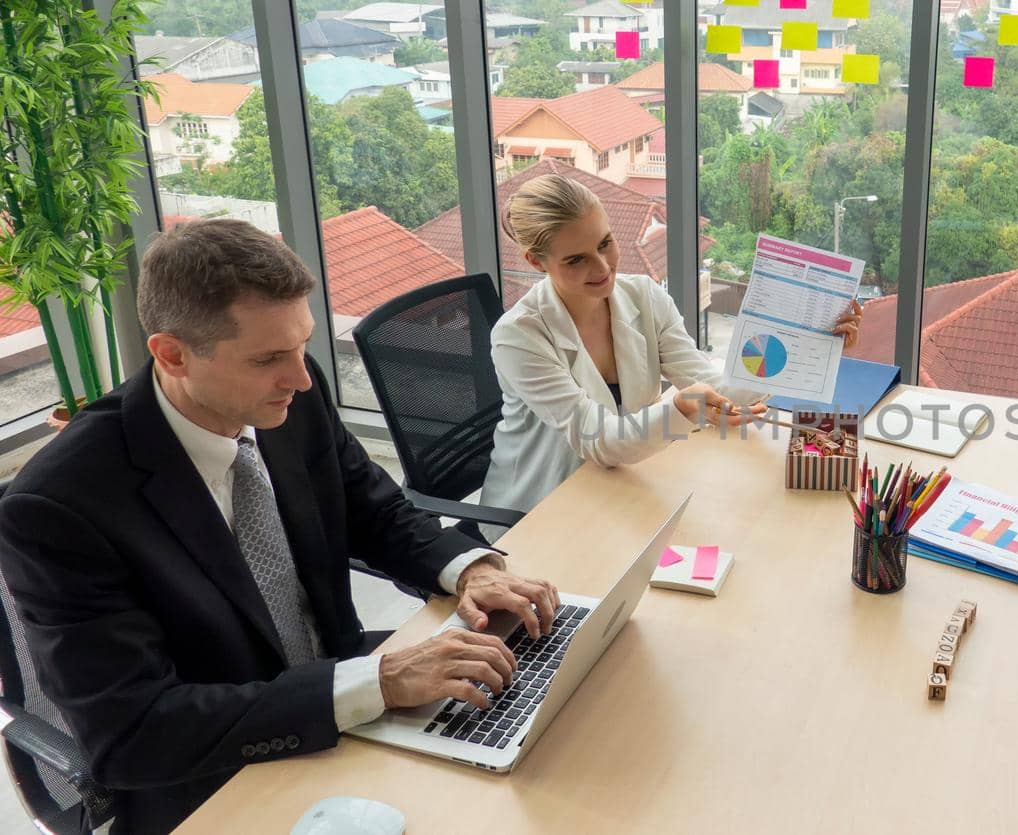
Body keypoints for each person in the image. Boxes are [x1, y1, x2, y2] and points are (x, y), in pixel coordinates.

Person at [0, 220, 563, 834]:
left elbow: (371, 507)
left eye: (302, 345)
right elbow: (134, 732)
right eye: (269, 358)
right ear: (172, 354)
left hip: (345, 716)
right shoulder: (59, 507)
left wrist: (467, 569)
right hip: (215, 780)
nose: (299, 376)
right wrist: (377, 680)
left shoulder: (291, 394)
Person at [481, 174, 864, 516]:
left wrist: (809, 352)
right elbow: (598, 441)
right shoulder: (519, 336)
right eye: (576, 260)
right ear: (536, 262)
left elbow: (713, 386)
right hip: (542, 510)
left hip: (620, 485)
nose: (601, 268)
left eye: (605, 243)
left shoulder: (644, 296)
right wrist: (682, 408)